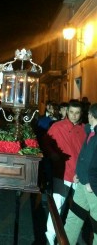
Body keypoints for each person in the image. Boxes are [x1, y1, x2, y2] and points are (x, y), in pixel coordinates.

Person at [42, 101, 86, 245]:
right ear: (67, 112)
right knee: (57, 208)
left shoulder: (84, 129)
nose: (74, 116)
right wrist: (52, 153)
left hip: (79, 176)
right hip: (61, 174)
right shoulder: (57, 127)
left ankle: (70, 239)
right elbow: (45, 143)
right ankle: (49, 238)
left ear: (81, 114)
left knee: (77, 211)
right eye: (71, 112)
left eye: (77, 113)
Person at [64, 103, 97, 244]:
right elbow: (85, 155)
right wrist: (79, 172)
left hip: (93, 188)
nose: (87, 116)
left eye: (88, 114)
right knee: (74, 218)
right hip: (84, 183)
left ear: (92, 115)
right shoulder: (90, 131)